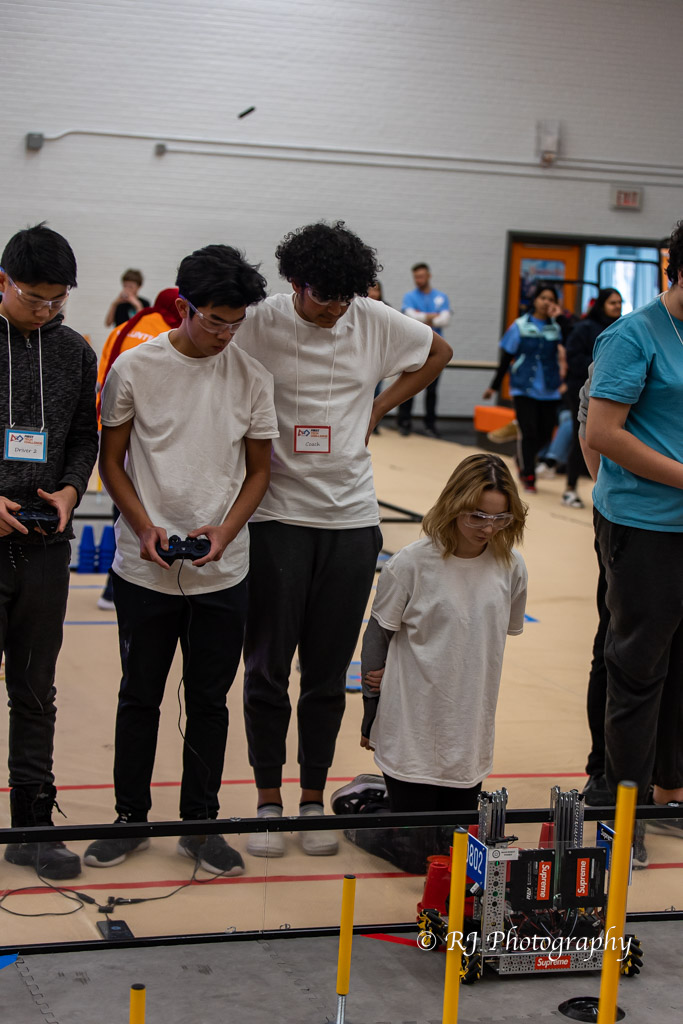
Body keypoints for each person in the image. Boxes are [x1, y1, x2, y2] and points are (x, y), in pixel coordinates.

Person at [234, 221, 452, 857]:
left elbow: (436, 352)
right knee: (269, 669)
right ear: (293, 283)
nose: (330, 310)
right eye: (319, 297)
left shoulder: (373, 318)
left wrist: (378, 409)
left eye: (342, 300)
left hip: (351, 521)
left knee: (328, 674)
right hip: (276, 517)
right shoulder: (261, 320)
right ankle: (268, 800)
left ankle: (309, 800)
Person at [85, 244, 278, 875]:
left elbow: (258, 472)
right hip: (143, 566)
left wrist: (223, 531)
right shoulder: (137, 369)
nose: (226, 333)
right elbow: (111, 461)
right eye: (215, 319)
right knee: (139, 696)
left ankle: (200, 823)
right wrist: (144, 527)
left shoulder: (251, 376)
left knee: (210, 700)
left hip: (224, 568)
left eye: (236, 322)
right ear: (184, 307)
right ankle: (129, 819)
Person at [333, 453, 527, 871]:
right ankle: (363, 809)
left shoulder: (511, 567)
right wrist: (371, 712)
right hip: (411, 725)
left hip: (468, 730)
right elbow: (376, 635)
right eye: (477, 516)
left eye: (500, 518)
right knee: (417, 857)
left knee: (453, 852)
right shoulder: (411, 563)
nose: (488, 529)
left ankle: (385, 802)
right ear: (454, 505)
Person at [0, 223, 98, 879]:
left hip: (43, 548)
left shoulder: (74, 352)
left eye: (57, 299)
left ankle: (34, 827)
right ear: (2, 282)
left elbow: (83, 439)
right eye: (35, 297)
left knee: (35, 691)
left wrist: (68, 490)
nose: (47, 310)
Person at [586, 218, 683, 865]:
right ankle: (619, 808)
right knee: (636, 667)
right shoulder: (634, 333)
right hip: (643, 526)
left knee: (675, 665)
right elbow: (602, 432)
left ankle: (664, 788)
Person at [96, 288, 182, 612]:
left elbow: (103, 378)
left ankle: (110, 586)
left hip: (115, 430)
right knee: (149, 506)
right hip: (153, 438)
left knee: (122, 503)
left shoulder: (124, 329)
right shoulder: (170, 333)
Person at [484, 283, 563, 493]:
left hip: (550, 388)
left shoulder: (557, 327)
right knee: (528, 432)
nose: (547, 302)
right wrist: (494, 386)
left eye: (551, 299)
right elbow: (506, 358)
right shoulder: (519, 326)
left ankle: (522, 457)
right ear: (535, 300)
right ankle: (529, 475)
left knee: (546, 432)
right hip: (523, 388)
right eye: (543, 298)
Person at [562, 290, 622, 509]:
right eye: (612, 302)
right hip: (582, 391)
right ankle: (570, 488)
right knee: (584, 438)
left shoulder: (623, 329)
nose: (617, 306)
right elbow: (573, 358)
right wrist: (606, 362)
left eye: (620, 302)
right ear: (601, 304)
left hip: (611, 394)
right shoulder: (584, 328)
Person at [397, 263, 451, 438]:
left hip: (434, 351)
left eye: (421, 276)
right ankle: (404, 422)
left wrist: (422, 317)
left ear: (429, 276)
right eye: (415, 277)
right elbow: (409, 317)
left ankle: (430, 425)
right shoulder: (409, 296)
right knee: (408, 386)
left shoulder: (441, 297)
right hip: (413, 348)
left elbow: (445, 320)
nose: (418, 280)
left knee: (432, 390)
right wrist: (431, 316)